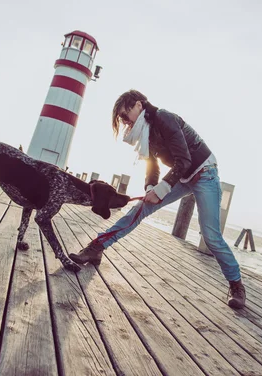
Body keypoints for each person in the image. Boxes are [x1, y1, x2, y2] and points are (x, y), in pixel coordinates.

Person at [70, 90, 246, 308]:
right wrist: (151, 188)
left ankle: (236, 284)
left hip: (204, 173)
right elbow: (151, 165)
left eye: (125, 116)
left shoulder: (164, 118)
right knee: (139, 208)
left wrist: (161, 190)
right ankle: (96, 247)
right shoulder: (145, 132)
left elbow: (184, 160)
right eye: (121, 120)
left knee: (211, 235)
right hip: (182, 175)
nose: (124, 122)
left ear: (138, 105)